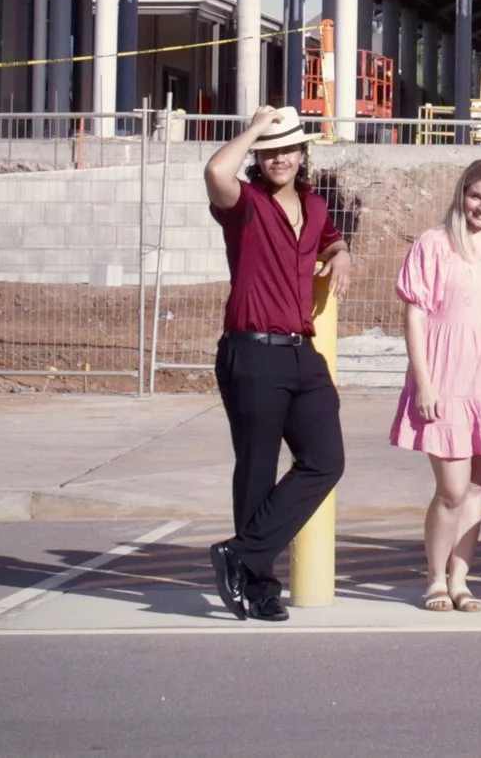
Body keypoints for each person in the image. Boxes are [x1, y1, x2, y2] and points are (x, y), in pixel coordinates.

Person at [202, 105, 352, 623]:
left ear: (303, 153)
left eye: (288, 149)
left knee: (326, 460)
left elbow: (330, 236)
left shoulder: (314, 206)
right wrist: (255, 129)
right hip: (252, 352)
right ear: (258, 158)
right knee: (257, 471)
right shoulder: (243, 203)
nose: (279, 158)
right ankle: (259, 588)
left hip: (302, 354)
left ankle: (241, 554)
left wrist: (341, 252)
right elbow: (216, 171)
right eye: (269, 152)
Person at [390, 158, 481, 613]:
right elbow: (414, 316)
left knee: (475, 488)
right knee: (452, 489)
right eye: (475, 196)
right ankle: (434, 578)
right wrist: (424, 383)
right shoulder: (434, 244)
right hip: (446, 379)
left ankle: (460, 580)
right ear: (461, 194)